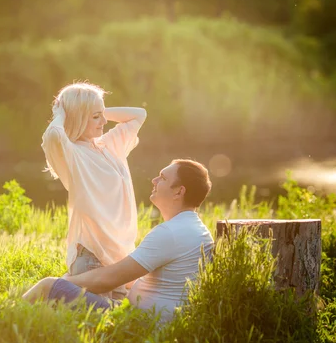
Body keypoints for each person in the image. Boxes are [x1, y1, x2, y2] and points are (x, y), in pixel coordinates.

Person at [24, 159, 214, 322]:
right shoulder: (196, 228)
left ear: (178, 192)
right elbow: (156, 280)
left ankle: (2, 321)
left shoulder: (170, 233)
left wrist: (64, 281)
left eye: (163, 178)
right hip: (157, 318)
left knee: (47, 286)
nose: (154, 180)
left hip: (140, 321)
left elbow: (107, 280)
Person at [42, 82, 147, 300]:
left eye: (102, 115)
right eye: (96, 117)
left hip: (120, 258)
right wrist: (65, 112)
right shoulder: (72, 154)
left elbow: (139, 115)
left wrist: (96, 109)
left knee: (111, 326)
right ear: (78, 117)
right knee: (90, 326)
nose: (105, 122)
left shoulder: (109, 145)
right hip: (92, 257)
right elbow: (53, 134)